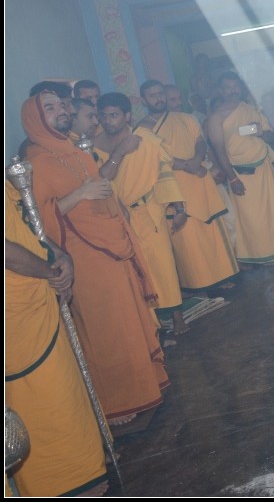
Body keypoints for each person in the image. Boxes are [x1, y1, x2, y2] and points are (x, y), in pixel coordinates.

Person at [20, 90, 169, 427]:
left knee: (127, 321)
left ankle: (144, 385)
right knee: (105, 331)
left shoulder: (76, 151)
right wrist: (81, 193)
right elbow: (36, 220)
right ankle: (117, 402)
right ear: (35, 118)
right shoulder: (36, 162)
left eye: (61, 105)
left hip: (112, 247)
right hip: (82, 259)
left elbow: (103, 190)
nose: (61, 110)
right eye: (49, 107)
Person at [5, 182, 109, 497]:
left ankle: (85, 468)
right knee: (41, 396)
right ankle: (64, 484)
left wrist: (60, 255)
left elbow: (27, 223)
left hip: (35, 297)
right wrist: (50, 271)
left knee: (66, 388)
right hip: (17, 314)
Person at [94, 91, 189, 335]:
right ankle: (152, 323)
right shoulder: (93, 146)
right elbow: (99, 180)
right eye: (103, 116)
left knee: (163, 266)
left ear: (127, 116)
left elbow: (164, 175)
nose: (108, 121)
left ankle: (177, 317)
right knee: (135, 270)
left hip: (148, 211)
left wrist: (179, 207)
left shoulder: (145, 140)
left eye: (114, 115)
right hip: (116, 217)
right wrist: (120, 152)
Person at [138, 80, 240, 294]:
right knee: (188, 239)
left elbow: (200, 141)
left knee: (212, 232)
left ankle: (222, 276)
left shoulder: (185, 118)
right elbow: (154, 158)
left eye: (160, 93)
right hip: (174, 188)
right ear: (143, 100)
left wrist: (196, 159)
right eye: (152, 95)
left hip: (199, 183)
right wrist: (187, 165)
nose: (158, 98)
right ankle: (197, 284)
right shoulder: (142, 129)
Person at [205, 71, 274, 265]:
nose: (233, 91)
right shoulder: (215, 118)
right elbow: (219, 150)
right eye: (228, 88)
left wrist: (257, 131)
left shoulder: (250, 108)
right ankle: (262, 255)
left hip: (264, 167)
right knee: (252, 218)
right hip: (240, 173)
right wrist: (233, 178)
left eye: (236, 86)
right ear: (220, 91)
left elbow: (269, 135)